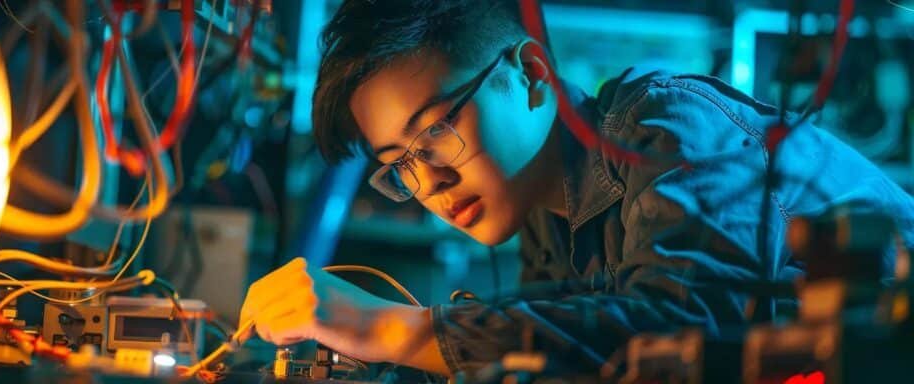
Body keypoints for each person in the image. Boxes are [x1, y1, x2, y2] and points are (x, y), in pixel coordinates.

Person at [237, 0, 914, 377]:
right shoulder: (546, 223)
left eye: (436, 131)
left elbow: (686, 331)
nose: (430, 183)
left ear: (532, 73)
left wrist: (383, 325)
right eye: (400, 165)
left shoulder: (669, 123)